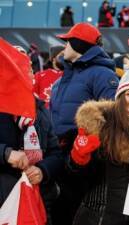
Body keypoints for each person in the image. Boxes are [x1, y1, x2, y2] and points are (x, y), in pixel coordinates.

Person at [50, 22, 119, 225]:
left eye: (68, 43)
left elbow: (111, 115)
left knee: (75, 211)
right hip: (59, 152)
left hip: (86, 156)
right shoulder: (65, 77)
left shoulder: (102, 74)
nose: (64, 48)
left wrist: (86, 146)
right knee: (59, 210)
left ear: (79, 45)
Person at [67, 66, 129, 225]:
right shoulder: (101, 124)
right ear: (120, 97)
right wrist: (78, 160)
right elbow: (79, 179)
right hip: (97, 218)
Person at [0, 43, 64, 225]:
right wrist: (6, 153)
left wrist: (43, 170)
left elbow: (55, 154)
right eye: (21, 69)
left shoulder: (39, 108)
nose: (29, 74)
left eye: (29, 69)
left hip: (37, 199)